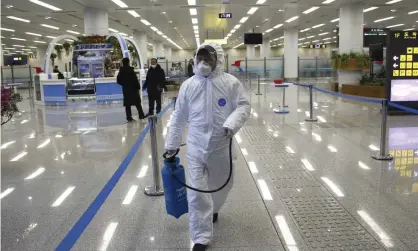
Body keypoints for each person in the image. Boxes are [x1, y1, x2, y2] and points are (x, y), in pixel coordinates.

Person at [164, 43, 250, 251]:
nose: (203, 63)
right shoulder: (188, 85)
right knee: (197, 193)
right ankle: (201, 237)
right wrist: (172, 144)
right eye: (199, 59)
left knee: (222, 185)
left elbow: (244, 105)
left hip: (222, 146)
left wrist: (231, 125)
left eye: (207, 59)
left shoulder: (230, 83)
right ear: (194, 60)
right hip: (195, 147)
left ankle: (215, 208)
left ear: (217, 61)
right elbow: (178, 117)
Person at [117, 58, 146, 122]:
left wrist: (124, 84)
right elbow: (135, 80)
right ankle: (141, 115)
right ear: (128, 62)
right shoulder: (131, 70)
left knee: (127, 104)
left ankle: (129, 117)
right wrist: (138, 87)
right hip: (133, 89)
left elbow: (118, 80)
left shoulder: (121, 71)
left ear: (122, 62)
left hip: (126, 89)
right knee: (137, 102)